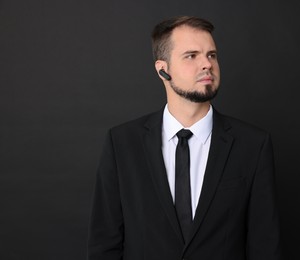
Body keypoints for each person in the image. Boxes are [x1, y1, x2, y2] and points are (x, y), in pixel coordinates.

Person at [88, 15, 281, 260]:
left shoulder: (254, 145)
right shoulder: (122, 144)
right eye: (192, 56)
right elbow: (104, 245)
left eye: (211, 55)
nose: (207, 64)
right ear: (163, 70)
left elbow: (265, 247)